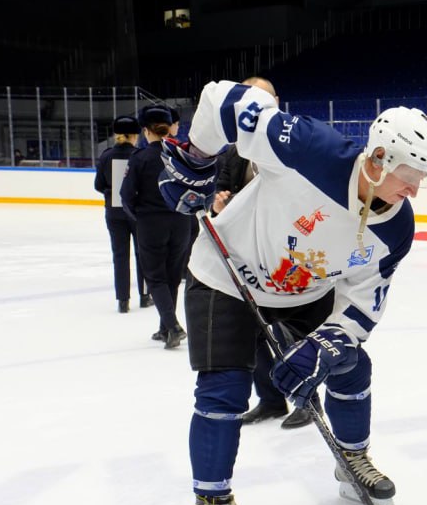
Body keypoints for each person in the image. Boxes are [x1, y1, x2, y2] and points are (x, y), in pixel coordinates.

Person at [159, 79, 427, 505]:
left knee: (351, 368)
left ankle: (352, 458)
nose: (415, 189)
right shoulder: (308, 148)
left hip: (306, 292)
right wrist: (197, 158)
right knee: (223, 388)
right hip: (227, 275)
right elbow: (222, 98)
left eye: (424, 178)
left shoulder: (396, 228)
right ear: (377, 159)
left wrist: (326, 346)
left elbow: (362, 300)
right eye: (409, 175)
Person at [207, 77, 302, 430]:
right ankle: (272, 399)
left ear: (277, 101)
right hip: (248, 256)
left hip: (290, 255)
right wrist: (218, 201)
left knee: (293, 332)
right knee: (256, 332)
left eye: (264, 98)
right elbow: (221, 189)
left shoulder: (298, 143)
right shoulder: (234, 150)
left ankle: (308, 399)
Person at [120, 105, 192, 348]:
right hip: (181, 222)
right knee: (172, 276)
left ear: (146, 131)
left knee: (155, 277)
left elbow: (126, 195)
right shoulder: (182, 155)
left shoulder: (140, 158)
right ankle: (165, 328)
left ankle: (172, 327)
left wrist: (138, 217)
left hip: (151, 223)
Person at [93, 115, 148, 313]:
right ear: (136, 135)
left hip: (114, 213)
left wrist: (111, 191)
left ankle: (123, 300)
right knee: (142, 254)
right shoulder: (140, 155)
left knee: (120, 256)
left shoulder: (106, 156)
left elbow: (98, 185)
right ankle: (144, 294)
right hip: (137, 212)